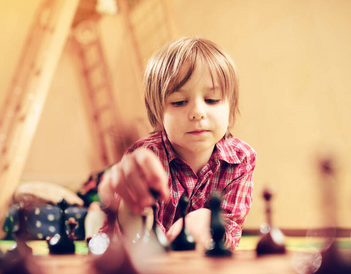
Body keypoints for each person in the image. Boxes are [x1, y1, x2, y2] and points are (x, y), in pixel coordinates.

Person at [97, 37, 256, 249]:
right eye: (179, 102)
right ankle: (92, 216)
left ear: (230, 106)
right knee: (99, 219)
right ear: (157, 111)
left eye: (212, 99)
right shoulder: (144, 155)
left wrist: (209, 220)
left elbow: (231, 231)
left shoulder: (242, 158)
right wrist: (132, 212)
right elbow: (131, 236)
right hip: (143, 253)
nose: (198, 112)